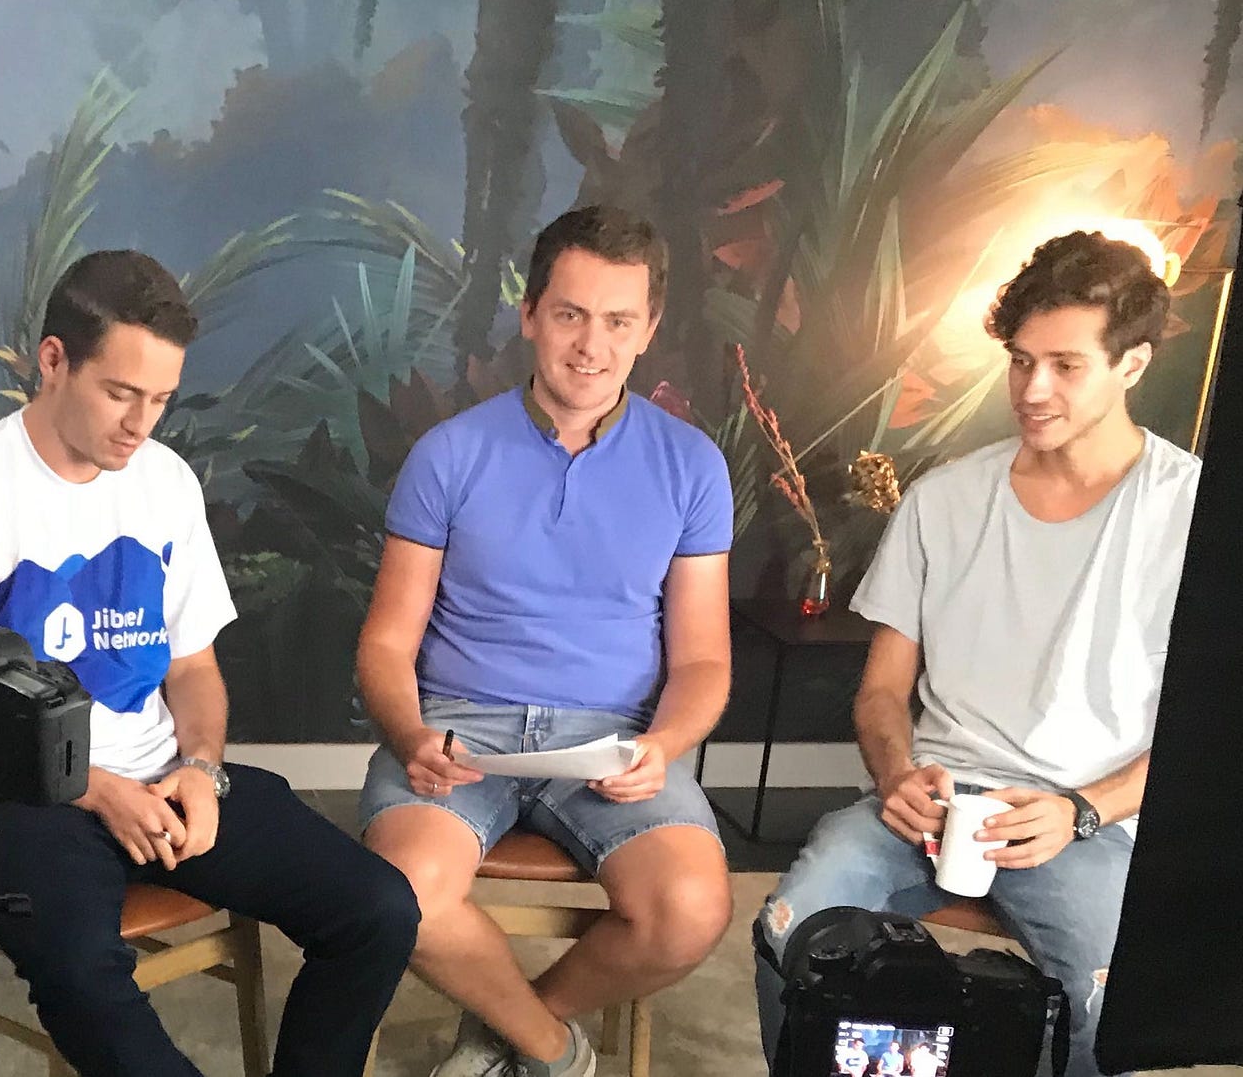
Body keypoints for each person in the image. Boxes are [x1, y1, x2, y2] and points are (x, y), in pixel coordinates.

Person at [0, 250, 420, 1077]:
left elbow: (193, 668)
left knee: (377, 908)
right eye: (121, 393)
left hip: (162, 777)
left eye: (160, 399)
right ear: (53, 360)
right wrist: (94, 787)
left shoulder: (164, 482)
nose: (141, 424)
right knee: (83, 976)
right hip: (14, 805)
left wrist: (200, 767)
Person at [753, 231, 1201, 1077]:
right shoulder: (945, 499)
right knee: (791, 930)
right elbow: (881, 692)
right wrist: (895, 774)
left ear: (1133, 365)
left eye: (1066, 365)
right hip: (936, 800)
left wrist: (1083, 809)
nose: (1033, 389)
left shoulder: (1192, 514)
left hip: (1088, 821)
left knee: (1113, 1005)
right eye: (1021, 361)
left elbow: (1208, 727)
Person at [356, 205, 735, 1077]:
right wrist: (411, 735)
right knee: (401, 895)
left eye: (618, 321)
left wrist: (663, 745)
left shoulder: (692, 466)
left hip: (615, 739)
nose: (591, 345)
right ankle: (556, 1053)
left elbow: (704, 660)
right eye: (570, 314)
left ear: (649, 329)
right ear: (529, 315)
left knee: (688, 909)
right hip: (458, 730)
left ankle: (505, 1027)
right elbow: (385, 643)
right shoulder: (448, 454)